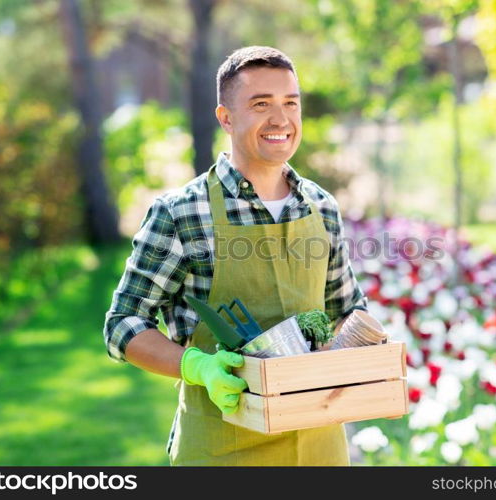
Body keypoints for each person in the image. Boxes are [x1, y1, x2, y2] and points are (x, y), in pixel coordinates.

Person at [103, 46, 368, 466]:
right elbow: (122, 325)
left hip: (320, 448)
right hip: (222, 449)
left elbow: (346, 311)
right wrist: (197, 367)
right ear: (226, 117)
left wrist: (366, 350)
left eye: (290, 104)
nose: (280, 119)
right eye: (261, 104)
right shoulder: (182, 212)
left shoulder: (321, 207)